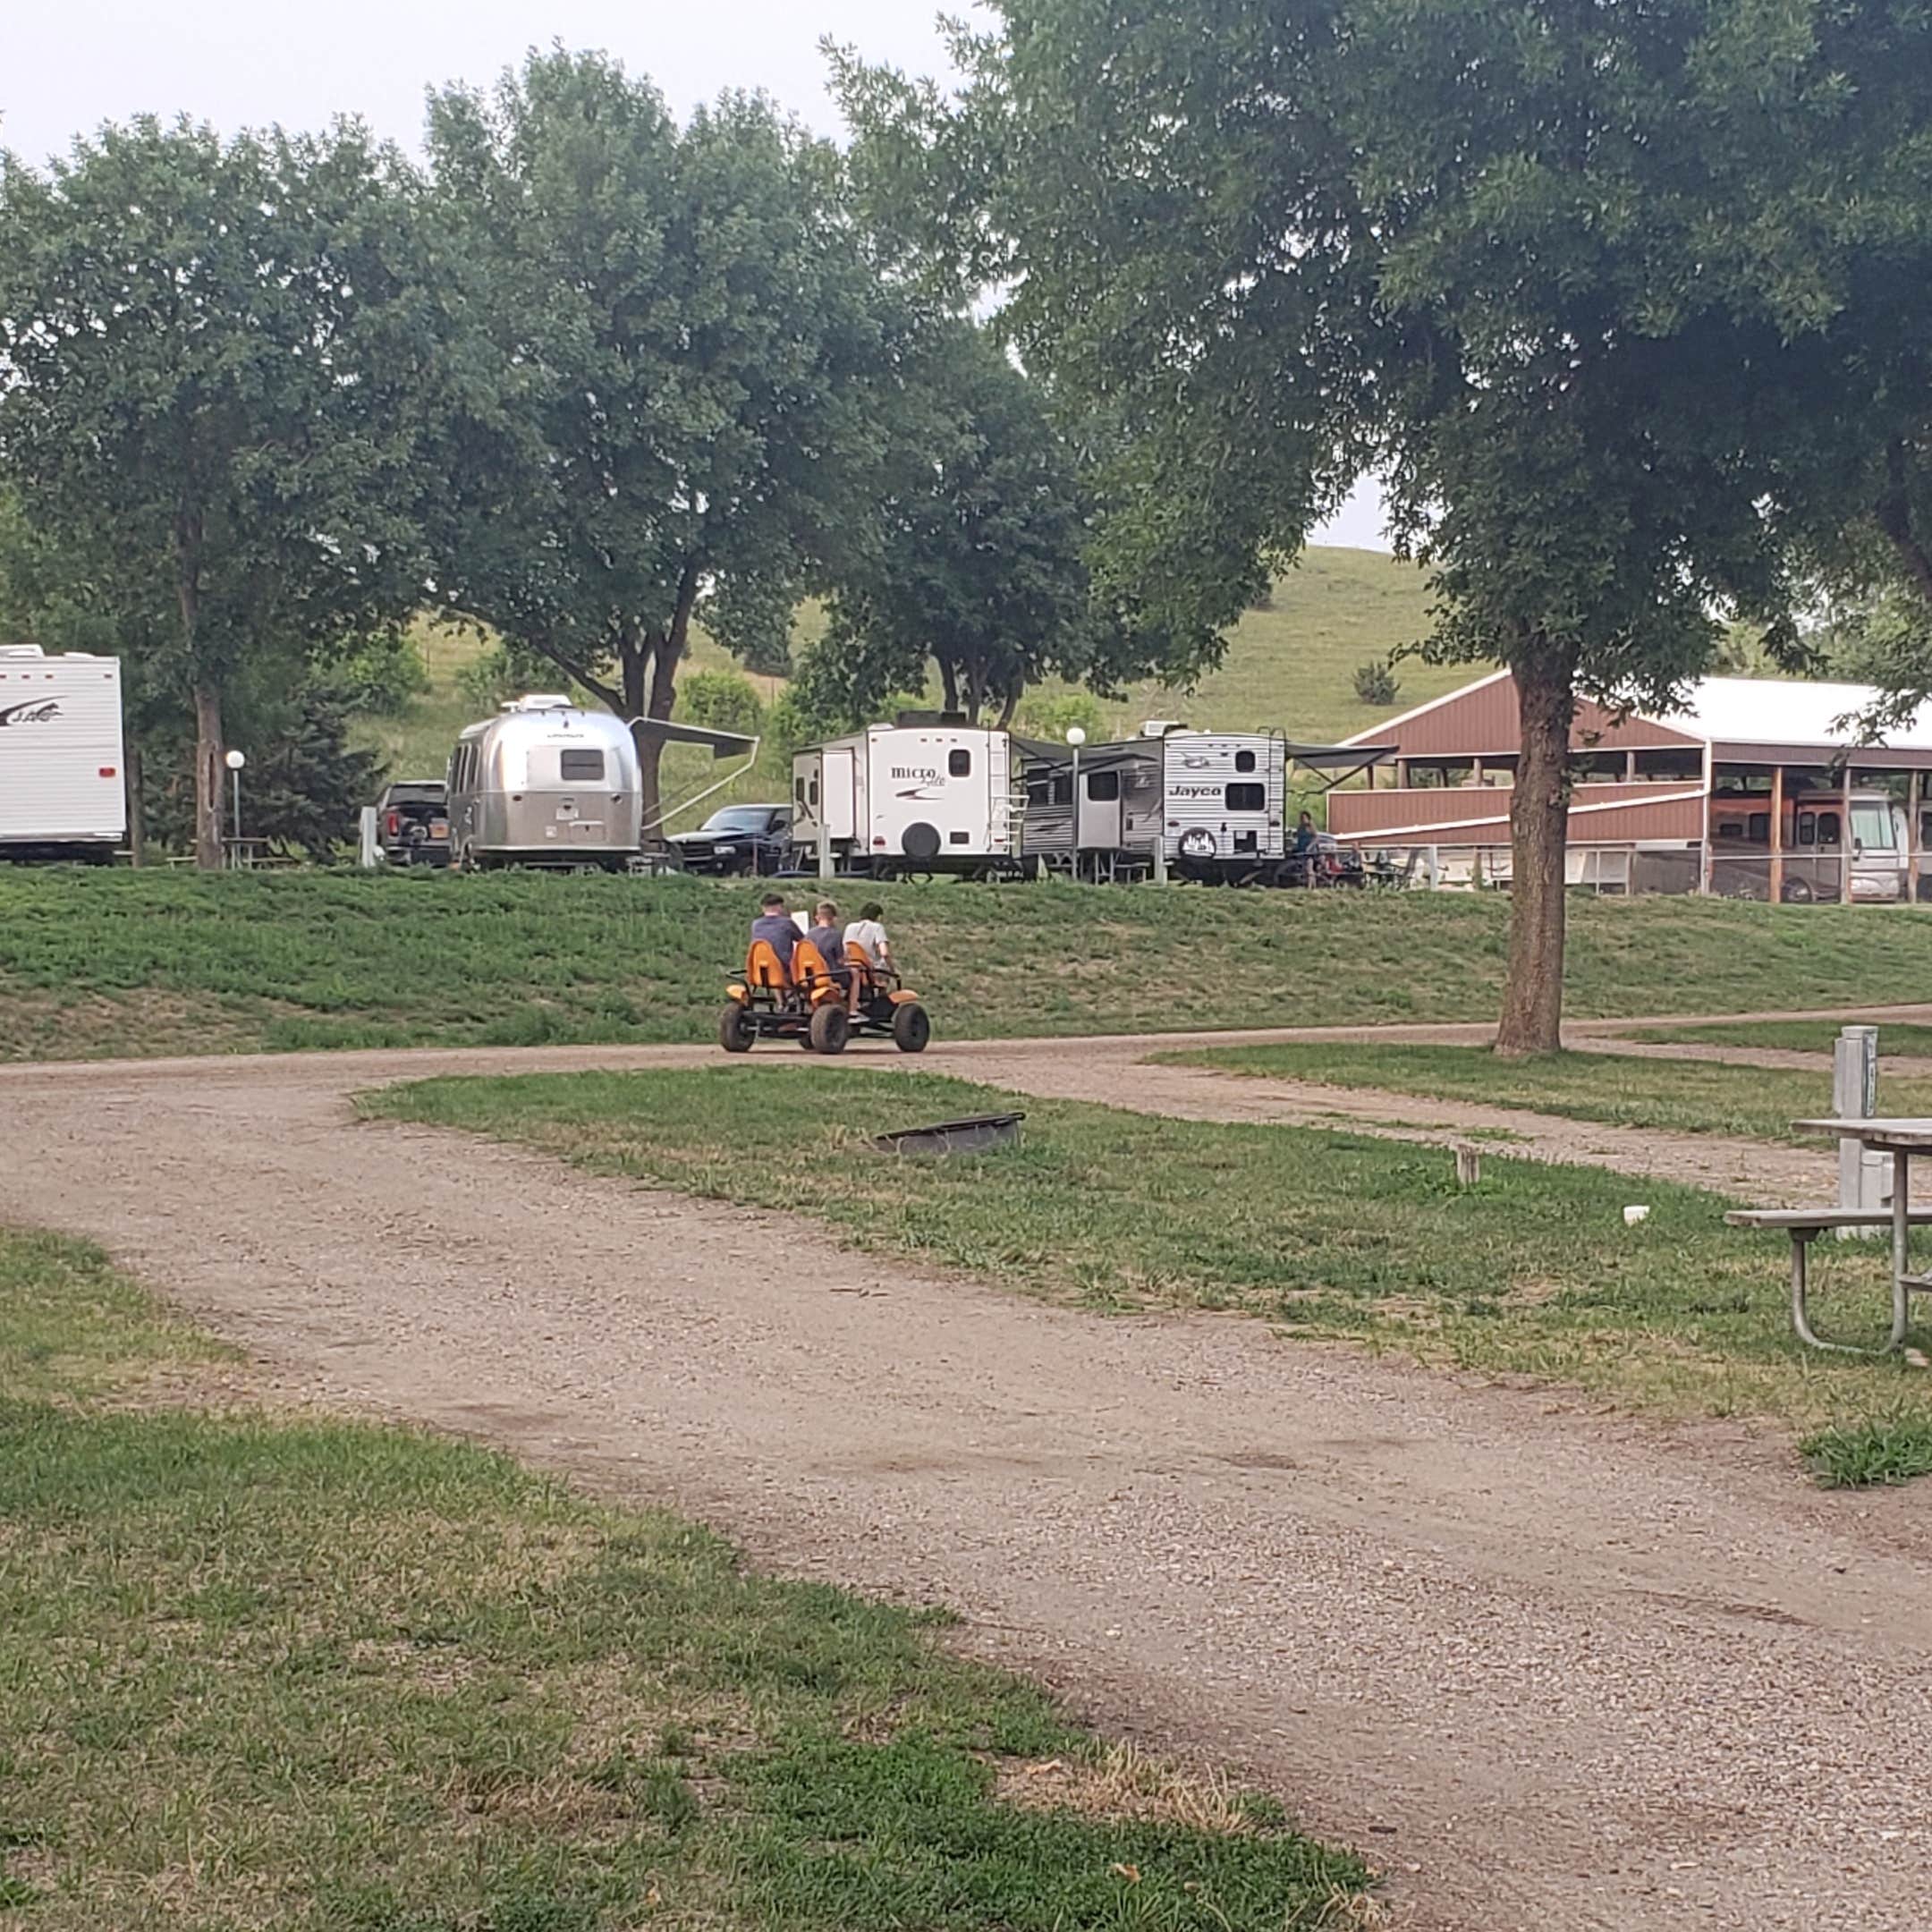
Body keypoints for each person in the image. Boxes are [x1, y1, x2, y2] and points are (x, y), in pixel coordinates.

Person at [804, 900, 852, 989]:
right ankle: (852, 998)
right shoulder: (835, 934)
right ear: (833, 918)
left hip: (812, 975)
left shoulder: (809, 934)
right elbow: (840, 961)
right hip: (831, 975)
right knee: (854, 974)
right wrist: (846, 956)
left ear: (818, 917)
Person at [749, 892, 798, 970]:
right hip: (782, 969)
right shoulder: (787, 923)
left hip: (760, 969)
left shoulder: (755, 924)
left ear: (763, 908)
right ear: (778, 907)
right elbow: (802, 940)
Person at [843, 902, 893, 974]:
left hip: (850, 967)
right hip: (869, 968)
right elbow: (884, 953)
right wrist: (892, 969)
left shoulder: (849, 927)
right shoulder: (877, 927)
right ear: (878, 917)